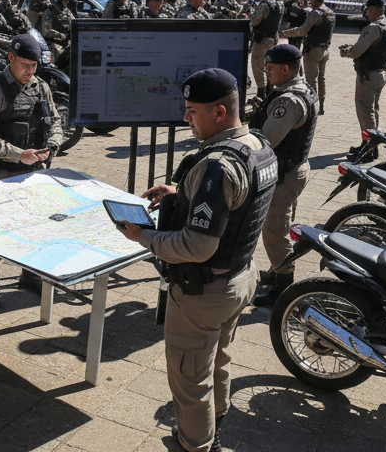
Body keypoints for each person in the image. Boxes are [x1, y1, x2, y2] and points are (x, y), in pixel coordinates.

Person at [118, 68, 277, 452]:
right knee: (216, 363)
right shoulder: (257, 144)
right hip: (240, 276)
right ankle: (211, 430)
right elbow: (238, 202)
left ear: (219, 113)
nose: (185, 118)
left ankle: (196, 445)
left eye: (192, 111)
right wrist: (179, 193)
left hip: (204, 291)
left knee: (189, 379)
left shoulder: (216, 165)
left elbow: (198, 245)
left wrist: (145, 237)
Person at [0, 33, 63, 295]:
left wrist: (54, 143)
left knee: (37, 228)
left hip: (34, 172)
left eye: (34, 66)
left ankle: (31, 276)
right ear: (10, 58)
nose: (30, 71)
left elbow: (55, 120)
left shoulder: (40, 87)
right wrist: (18, 154)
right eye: (25, 65)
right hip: (1, 173)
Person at [248, 45, 318, 308]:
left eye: (270, 68)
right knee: (278, 228)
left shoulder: (287, 101)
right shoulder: (303, 88)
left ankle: (284, 287)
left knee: (275, 230)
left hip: (283, 175)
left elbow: (267, 141)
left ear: (285, 69)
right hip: (293, 168)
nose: (266, 72)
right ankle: (278, 271)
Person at [340, 0, 386, 158]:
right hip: (381, 72)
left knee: (365, 111)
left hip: (368, 75)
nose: (367, 13)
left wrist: (346, 52)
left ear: (374, 9)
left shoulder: (373, 27)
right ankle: (371, 143)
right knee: (373, 109)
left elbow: (357, 52)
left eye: (369, 10)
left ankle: (369, 148)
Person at [279, 0, 334, 115]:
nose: (310, 3)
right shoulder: (330, 12)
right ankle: (321, 105)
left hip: (313, 50)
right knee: (321, 78)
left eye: (312, 0)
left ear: (315, 0)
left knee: (311, 79)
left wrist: (284, 33)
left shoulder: (316, 13)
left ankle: (313, 105)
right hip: (325, 50)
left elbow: (302, 31)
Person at [248, 0, 282, 99]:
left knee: (257, 65)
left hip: (261, 41)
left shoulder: (264, 5)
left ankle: (261, 91)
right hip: (273, 40)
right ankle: (270, 88)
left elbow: (254, 21)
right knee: (270, 64)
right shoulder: (280, 5)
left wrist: (250, 14)